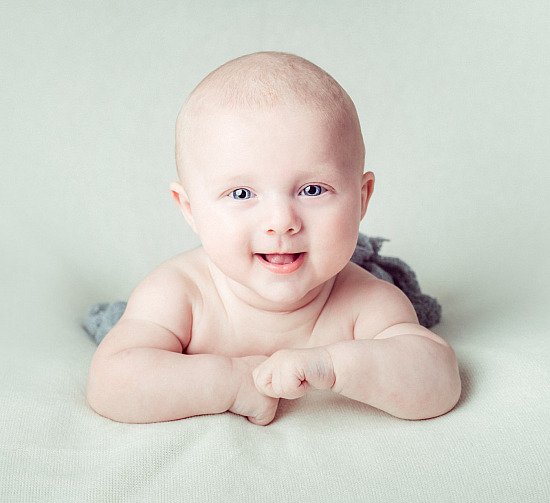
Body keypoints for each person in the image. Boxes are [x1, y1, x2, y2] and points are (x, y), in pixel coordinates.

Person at [86, 52, 461, 426]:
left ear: (361, 198)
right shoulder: (179, 293)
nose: (281, 223)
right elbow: (111, 382)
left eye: (313, 190)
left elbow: (437, 381)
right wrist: (231, 382)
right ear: (190, 208)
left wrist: (334, 366)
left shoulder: (366, 301)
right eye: (242, 194)